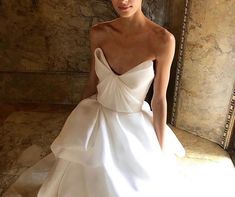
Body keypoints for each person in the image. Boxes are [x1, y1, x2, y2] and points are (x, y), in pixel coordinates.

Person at [3, 0, 186, 196]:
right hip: (97, 118)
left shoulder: (163, 40)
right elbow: (93, 82)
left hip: (133, 127)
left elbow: (158, 99)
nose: (123, 1)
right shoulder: (98, 33)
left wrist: (159, 147)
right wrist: (76, 123)